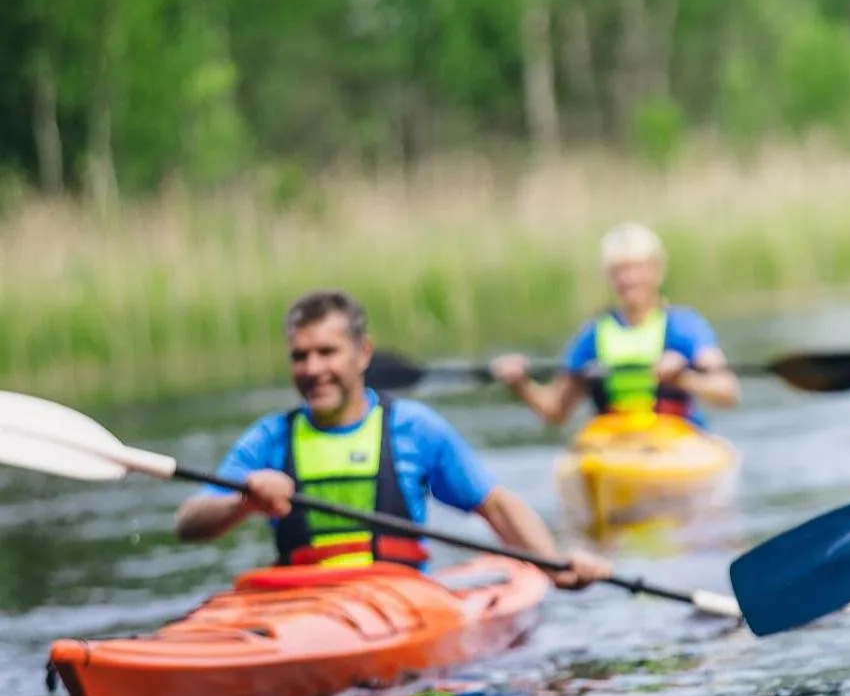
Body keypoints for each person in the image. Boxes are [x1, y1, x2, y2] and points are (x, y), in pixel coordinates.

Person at [174, 289, 611, 587]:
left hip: (396, 599)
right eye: (299, 356)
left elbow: (495, 505)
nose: (312, 369)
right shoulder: (270, 438)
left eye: (327, 352)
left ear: (363, 353)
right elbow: (189, 523)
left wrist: (554, 566)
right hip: (301, 601)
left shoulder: (415, 428)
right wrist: (244, 501)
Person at [491, 223, 739, 427]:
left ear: (657, 271)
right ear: (609, 277)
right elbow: (555, 411)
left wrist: (684, 378)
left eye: (637, 268)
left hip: (677, 442)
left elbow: (727, 391)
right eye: (619, 271)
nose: (628, 279)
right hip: (614, 447)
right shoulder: (594, 335)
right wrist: (520, 385)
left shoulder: (684, 327)